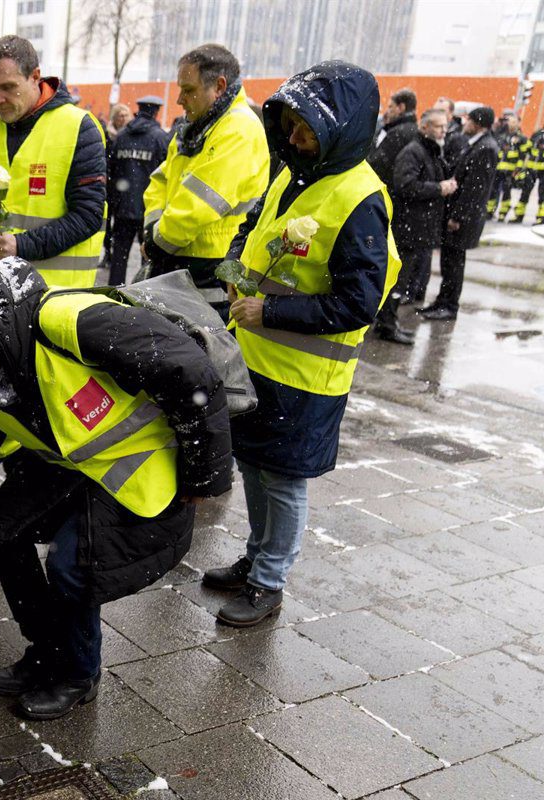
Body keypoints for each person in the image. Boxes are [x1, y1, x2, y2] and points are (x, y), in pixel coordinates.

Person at [0, 231, 232, 719]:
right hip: (72, 465)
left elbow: (190, 370)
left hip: (144, 461)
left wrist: (204, 478)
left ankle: (80, 673)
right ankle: (46, 652)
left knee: (72, 565)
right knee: (4, 538)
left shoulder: (65, 322)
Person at [204, 61, 399, 626]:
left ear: (340, 128)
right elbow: (257, 229)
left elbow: (357, 304)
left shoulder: (360, 198)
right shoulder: (296, 173)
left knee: (284, 481)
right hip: (257, 361)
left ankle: (269, 583)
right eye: (288, 124)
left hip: (304, 378)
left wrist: (273, 308)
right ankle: (255, 559)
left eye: (304, 128)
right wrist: (236, 265)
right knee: (256, 467)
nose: (292, 137)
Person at [0, 35, 107, 289]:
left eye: (8, 87)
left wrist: (22, 246)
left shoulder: (79, 127)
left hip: (56, 296)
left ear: (35, 76)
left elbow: (88, 215)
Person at [142, 43, 269, 318]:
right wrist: (153, 229)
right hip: (181, 260)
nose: (179, 99)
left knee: (196, 353)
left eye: (188, 90)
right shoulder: (195, 127)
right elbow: (161, 179)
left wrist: (155, 240)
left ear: (219, 86)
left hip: (210, 268)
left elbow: (198, 206)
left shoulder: (239, 130)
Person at [375, 109, 457, 340]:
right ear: (424, 127)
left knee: (401, 280)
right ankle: (386, 324)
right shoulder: (414, 152)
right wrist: (438, 188)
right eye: (439, 126)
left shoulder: (430, 151)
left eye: (444, 126)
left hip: (419, 228)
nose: (443, 130)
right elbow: (406, 185)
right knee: (396, 281)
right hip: (408, 228)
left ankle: (389, 322)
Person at [419, 106, 499, 321]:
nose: (465, 124)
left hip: (463, 219)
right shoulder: (476, 145)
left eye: (469, 120)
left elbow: (475, 189)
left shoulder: (486, 148)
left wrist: (458, 217)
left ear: (479, 124)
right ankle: (442, 301)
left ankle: (449, 305)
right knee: (449, 262)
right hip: (458, 215)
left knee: (454, 263)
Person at [106, 96, 170, 285]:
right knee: (149, 258)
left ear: (138, 110)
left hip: (123, 206)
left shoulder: (123, 136)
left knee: (119, 257)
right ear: (156, 112)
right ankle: (143, 296)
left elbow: (112, 170)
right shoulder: (160, 138)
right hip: (149, 209)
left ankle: (113, 294)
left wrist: (115, 201)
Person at [509, 110, 544, 224]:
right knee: (525, 192)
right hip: (531, 168)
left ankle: (541, 217)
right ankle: (519, 215)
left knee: (543, 194)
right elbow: (528, 148)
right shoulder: (537, 134)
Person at [368, 88, 418, 186]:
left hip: (390, 189)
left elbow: (377, 165)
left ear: (401, 108)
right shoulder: (416, 129)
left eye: (391, 107)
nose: (388, 111)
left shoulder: (396, 133)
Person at [488, 110, 525, 221]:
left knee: (506, 192)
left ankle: (503, 213)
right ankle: (489, 211)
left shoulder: (520, 138)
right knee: (493, 191)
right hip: (498, 168)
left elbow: (522, 156)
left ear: (518, 123)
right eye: (510, 122)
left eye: (514, 122)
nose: (511, 124)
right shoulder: (502, 135)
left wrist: (518, 169)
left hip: (510, 170)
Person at [434, 97, 468, 163]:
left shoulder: (458, 135)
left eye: (441, 111)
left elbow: (455, 165)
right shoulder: (427, 132)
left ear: (451, 114)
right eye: (434, 111)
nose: (436, 114)